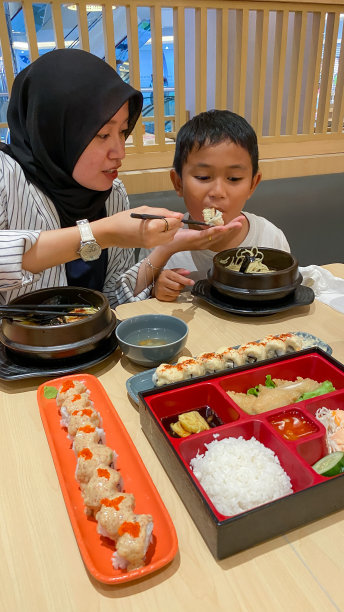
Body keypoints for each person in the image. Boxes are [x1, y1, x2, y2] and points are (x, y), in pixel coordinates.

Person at [0, 48, 184, 306]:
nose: (120, 152)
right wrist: (103, 234)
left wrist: (170, 246)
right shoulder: (5, 177)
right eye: (102, 134)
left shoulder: (113, 193)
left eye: (122, 131)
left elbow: (109, 297)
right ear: (54, 128)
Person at [119, 109, 289, 302]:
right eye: (203, 177)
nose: (217, 191)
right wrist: (156, 289)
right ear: (178, 182)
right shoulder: (160, 238)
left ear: (252, 184)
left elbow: (283, 297)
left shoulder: (270, 238)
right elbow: (133, 302)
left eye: (234, 178)